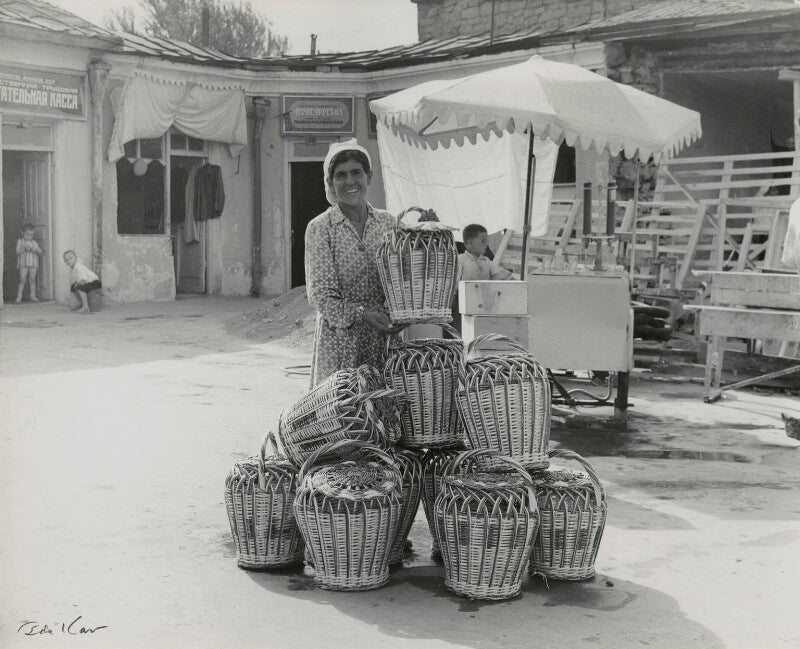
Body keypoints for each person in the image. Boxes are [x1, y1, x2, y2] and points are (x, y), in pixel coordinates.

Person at [304, 140, 404, 388]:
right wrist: (362, 315)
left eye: (356, 172)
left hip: (384, 339)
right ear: (330, 183)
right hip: (340, 342)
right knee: (344, 415)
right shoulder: (321, 228)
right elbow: (321, 295)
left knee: (385, 413)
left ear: (368, 176)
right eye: (340, 175)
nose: (350, 181)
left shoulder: (389, 224)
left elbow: (404, 278)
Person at [15, 223, 42, 304]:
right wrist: (24, 249)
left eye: (31, 235)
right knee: (22, 280)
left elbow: (40, 251)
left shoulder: (34, 243)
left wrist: (35, 249)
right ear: (22, 233)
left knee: (32, 280)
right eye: (27, 235)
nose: (29, 237)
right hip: (23, 264)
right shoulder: (20, 241)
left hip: (33, 264)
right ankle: (19, 297)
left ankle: (33, 296)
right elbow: (17, 252)